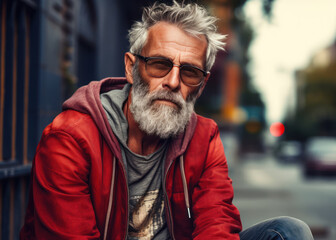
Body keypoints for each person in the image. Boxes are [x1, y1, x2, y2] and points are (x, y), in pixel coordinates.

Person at [20, 1, 314, 239]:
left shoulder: (204, 137)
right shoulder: (70, 138)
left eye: (189, 72)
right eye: (159, 64)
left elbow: (217, 223)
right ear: (131, 68)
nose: (173, 82)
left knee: (289, 232)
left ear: (201, 84)